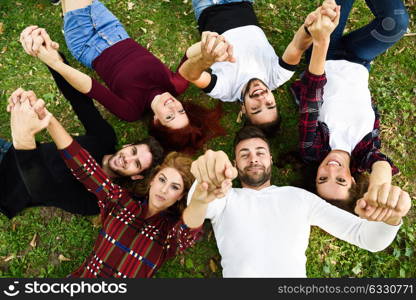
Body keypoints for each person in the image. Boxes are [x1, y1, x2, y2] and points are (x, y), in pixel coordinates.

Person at [9, 97, 204, 278]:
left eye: (174, 187)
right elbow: (84, 166)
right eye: (162, 180)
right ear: (152, 180)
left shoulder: (170, 234)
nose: (163, 190)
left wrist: (204, 196)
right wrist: (46, 118)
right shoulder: (121, 201)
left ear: (180, 196)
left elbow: (189, 229)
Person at [184, 125, 411, 277]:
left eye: (260, 152)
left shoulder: (299, 198)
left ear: (271, 160)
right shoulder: (225, 198)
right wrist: (206, 179)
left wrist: (390, 217)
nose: (253, 158)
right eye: (244, 154)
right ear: (235, 163)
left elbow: (367, 238)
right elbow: (195, 211)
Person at [20, 0, 225, 154]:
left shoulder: (131, 111)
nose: (173, 106)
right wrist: (210, 43)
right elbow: (189, 55)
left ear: (156, 122)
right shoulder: (176, 86)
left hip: (87, 44)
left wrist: (56, 63)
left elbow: (90, 87)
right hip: (113, 29)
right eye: (180, 110)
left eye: (170, 116)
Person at [1, 63, 163, 218]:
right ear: (128, 145)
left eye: (137, 164)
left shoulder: (98, 199)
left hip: (8, 188)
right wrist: (53, 60)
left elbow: (44, 190)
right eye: (133, 152)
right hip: (10, 150)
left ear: (136, 176)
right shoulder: (105, 138)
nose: (127, 159)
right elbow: (79, 100)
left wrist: (24, 140)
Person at [291, 0, 409, 210]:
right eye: (340, 180)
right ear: (353, 181)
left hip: (325, 53)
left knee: (332, 9)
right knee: (396, 24)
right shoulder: (364, 154)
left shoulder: (312, 149)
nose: (331, 170)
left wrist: (322, 40)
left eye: (323, 179)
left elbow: (312, 94)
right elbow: (381, 164)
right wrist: (379, 188)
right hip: (359, 59)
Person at [178, 0, 338, 136]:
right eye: (269, 105)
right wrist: (308, 27)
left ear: (244, 110)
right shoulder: (277, 76)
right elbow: (297, 47)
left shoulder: (225, 90)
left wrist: (205, 60)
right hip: (243, 4)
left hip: (208, 8)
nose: (262, 98)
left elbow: (191, 75)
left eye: (256, 108)